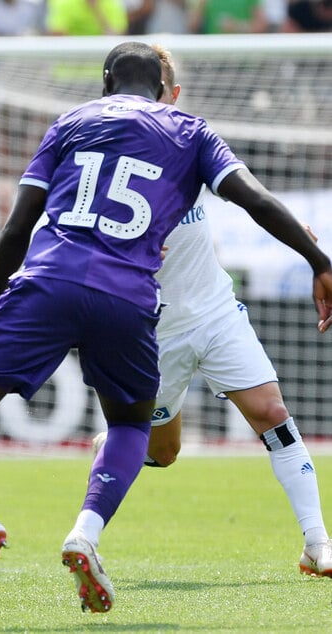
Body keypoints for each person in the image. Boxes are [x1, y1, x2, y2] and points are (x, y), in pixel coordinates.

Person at [0, 41, 332, 618]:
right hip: (140, 309)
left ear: (105, 81)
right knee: (146, 441)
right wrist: (318, 259)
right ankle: (88, 525)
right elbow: (256, 200)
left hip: (126, 295)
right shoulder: (189, 135)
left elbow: (17, 226)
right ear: (165, 89)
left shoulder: (73, 123)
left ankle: (318, 541)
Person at [92, 43, 332, 578]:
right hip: (153, 333)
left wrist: (299, 239)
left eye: (167, 92)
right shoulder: (102, 154)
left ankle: (318, 543)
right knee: (165, 451)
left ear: (172, 94)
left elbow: (249, 196)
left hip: (215, 311)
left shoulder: (189, 139)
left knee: (272, 413)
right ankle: (103, 481)